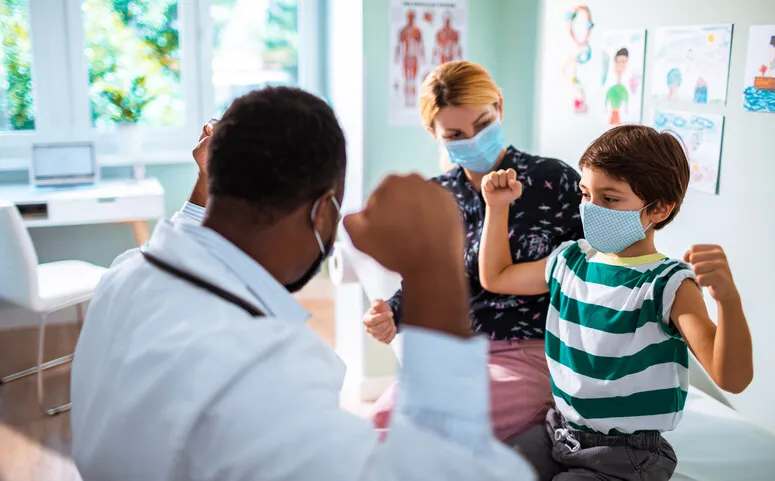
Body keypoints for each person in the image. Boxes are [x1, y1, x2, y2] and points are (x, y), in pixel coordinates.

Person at [70, 86, 534, 481]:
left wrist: (203, 186)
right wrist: (434, 266)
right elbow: (456, 472)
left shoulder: (124, 276)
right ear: (323, 211)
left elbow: (187, 237)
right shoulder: (261, 376)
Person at [478, 125, 754, 480]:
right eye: (585, 194)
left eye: (609, 199)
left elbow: (731, 378)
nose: (591, 209)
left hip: (625, 454)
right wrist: (496, 207)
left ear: (659, 208)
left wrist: (728, 300)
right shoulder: (570, 261)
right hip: (558, 431)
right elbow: (497, 276)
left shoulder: (667, 284)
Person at [363, 60, 583, 441]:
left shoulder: (555, 180)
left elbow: (593, 269)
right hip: (457, 357)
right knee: (378, 422)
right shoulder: (436, 197)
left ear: (499, 108)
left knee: (413, 431)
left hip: (536, 354)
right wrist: (391, 313)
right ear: (434, 134)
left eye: (483, 124)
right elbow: (425, 282)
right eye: (456, 134)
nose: (474, 140)